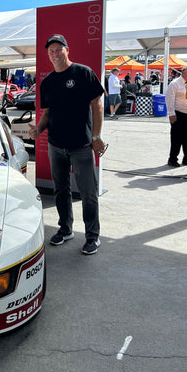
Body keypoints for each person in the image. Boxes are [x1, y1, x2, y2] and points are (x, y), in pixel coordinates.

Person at [28, 34, 106, 255]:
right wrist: (38, 130)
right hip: (56, 145)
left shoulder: (83, 73)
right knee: (61, 190)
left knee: (87, 192)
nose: (54, 55)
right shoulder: (48, 82)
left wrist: (96, 136)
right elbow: (47, 113)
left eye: (58, 50)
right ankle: (65, 229)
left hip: (81, 145)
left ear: (67, 50)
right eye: (50, 52)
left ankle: (92, 236)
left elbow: (97, 105)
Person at [164, 66, 187, 167]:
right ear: (184, 72)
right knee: (176, 138)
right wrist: (171, 113)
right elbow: (169, 99)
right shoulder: (175, 83)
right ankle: (172, 159)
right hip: (178, 113)